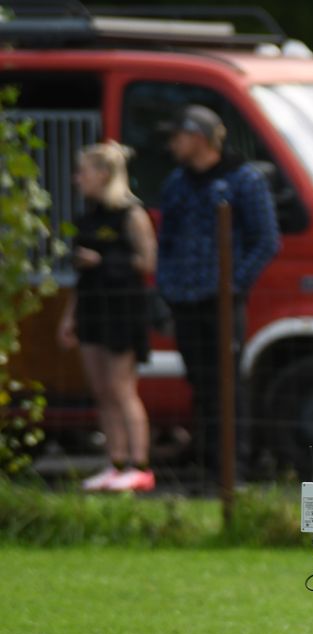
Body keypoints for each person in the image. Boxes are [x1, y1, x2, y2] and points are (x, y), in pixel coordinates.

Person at [155, 105, 280, 484]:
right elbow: (167, 241)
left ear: (199, 138)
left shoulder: (243, 180)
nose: (172, 144)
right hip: (185, 300)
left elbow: (266, 240)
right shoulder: (176, 183)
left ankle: (234, 469)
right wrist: (167, 286)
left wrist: (233, 284)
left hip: (223, 302)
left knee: (227, 382)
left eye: (177, 136)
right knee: (200, 382)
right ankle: (208, 464)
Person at [57, 143, 157, 492]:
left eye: (83, 171)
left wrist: (103, 261)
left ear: (103, 174)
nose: (77, 179)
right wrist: (69, 316)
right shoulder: (87, 217)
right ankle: (115, 463)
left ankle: (140, 466)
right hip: (91, 308)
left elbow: (147, 263)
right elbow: (81, 277)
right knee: (101, 390)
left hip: (122, 310)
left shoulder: (131, 215)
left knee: (122, 388)